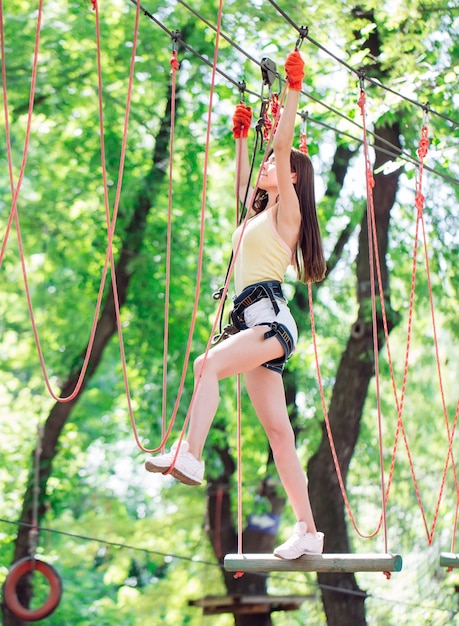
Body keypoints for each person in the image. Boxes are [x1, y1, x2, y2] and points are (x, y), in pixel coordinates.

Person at [145, 49, 327, 559]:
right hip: (253, 322)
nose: (270, 165)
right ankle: (309, 530)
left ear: (293, 179)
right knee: (278, 433)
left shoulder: (286, 215)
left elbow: (286, 143)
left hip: (269, 319)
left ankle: (192, 453)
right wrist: (244, 142)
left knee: (207, 366)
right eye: (267, 162)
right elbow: (242, 188)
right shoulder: (254, 217)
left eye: (277, 163)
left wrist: (292, 92)